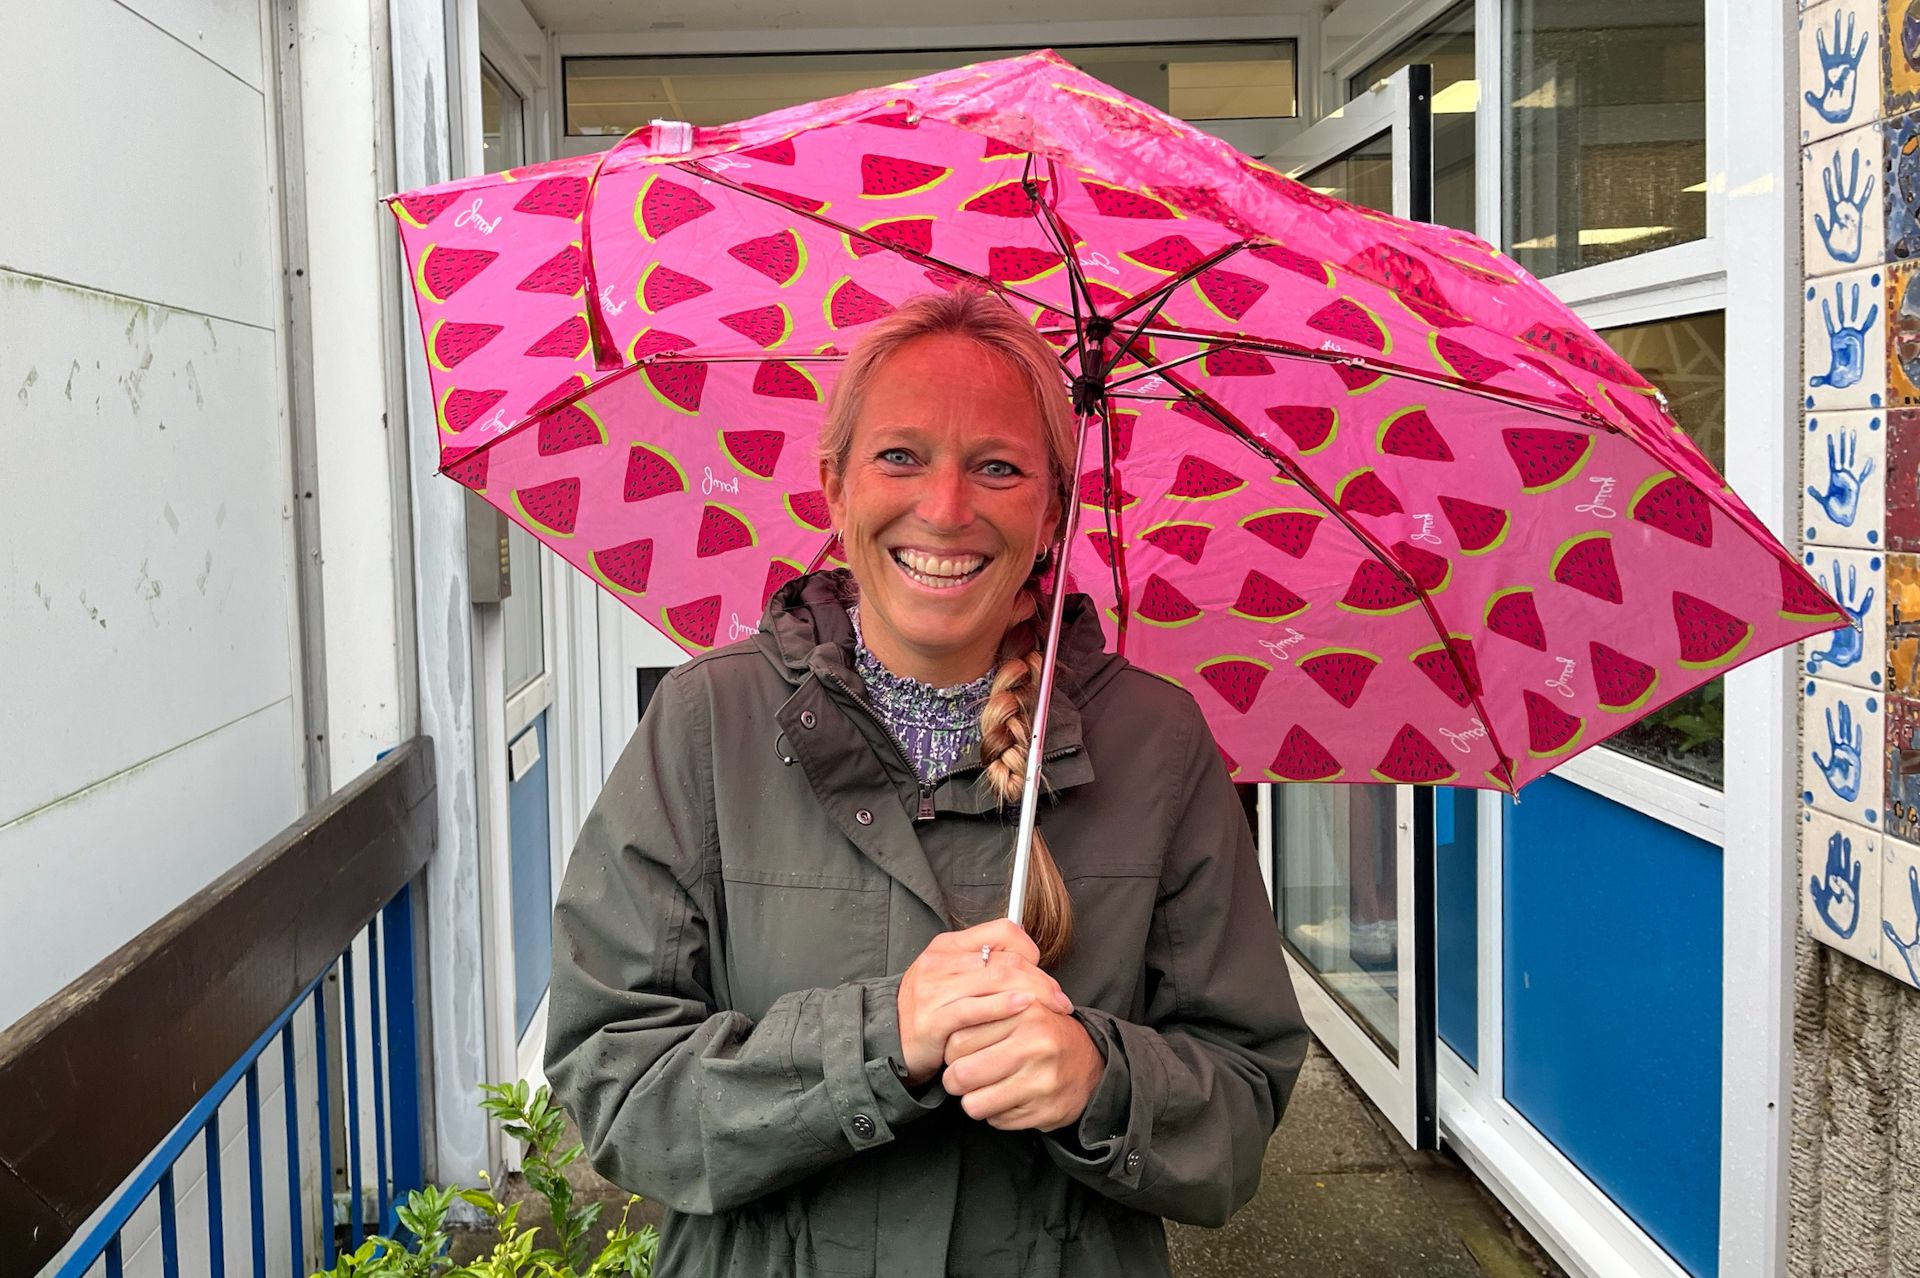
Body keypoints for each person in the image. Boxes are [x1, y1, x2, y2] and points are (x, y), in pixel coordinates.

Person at [545, 286, 1308, 1277]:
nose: (945, 510)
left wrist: (1099, 1082)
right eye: (901, 456)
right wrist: (875, 1041)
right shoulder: (704, 725)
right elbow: (614, 1082)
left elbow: (1242, 1098)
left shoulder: (1157, 744)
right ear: (835, 488)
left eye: (998, 467)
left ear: (1053, 513)